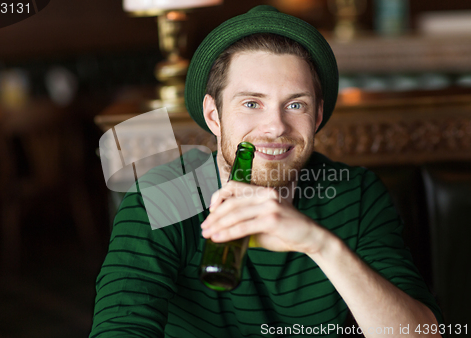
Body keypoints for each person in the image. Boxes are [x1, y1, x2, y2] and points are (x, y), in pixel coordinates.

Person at [89, 5, 444, 338]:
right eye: (251, 103)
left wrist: (320, 245)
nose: (275, 126)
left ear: (317, 116)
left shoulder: (355, 193)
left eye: (295, 104)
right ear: (214, 116)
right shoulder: (163, 196)